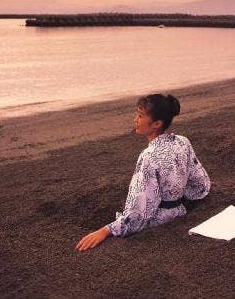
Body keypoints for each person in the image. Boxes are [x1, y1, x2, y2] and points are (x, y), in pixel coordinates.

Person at [76, 94, 210, 251]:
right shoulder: (182, 141)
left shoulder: (148, 156)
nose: (135, 120)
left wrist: (105, 230)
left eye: (140, 116)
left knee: (126, 220)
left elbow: (138, 213)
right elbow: (200, 183)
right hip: (181, 207)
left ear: (157, 124)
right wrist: (185, 201)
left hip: (163, 217)